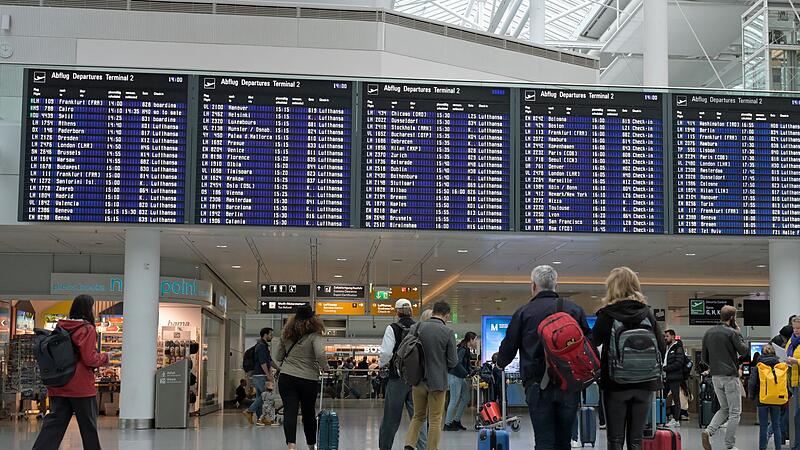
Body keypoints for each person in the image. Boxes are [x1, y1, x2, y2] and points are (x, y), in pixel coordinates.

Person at [497, 265, 591, 450]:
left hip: (537, 384)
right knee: (564, 440)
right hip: (569, 383)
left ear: (533, 286)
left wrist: (500, 363)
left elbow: (509, 346)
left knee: (543, 440)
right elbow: (588, 343)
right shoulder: (574, 310)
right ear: (556, 285)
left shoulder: (524, 312)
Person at [591, 267, 664, 450]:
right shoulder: (647, 314)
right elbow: (661, 347)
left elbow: (592, 345)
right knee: (636, 440)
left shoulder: (606, 315)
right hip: (645, 383)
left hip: (615, 384)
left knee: (615, 440)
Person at [32, 294, 109, 450]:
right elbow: (89, 359)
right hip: (81, 387)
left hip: (59, 383)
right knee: (88, 427)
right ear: (88, 309)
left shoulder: (61, 326)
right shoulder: (87, 329)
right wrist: (105, 357)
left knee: (53, 426)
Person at [403, 301, 458, 450]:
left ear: (433, 312)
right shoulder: (447, 332)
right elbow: (453, 361)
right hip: (437, 383)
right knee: (435, 419)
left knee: (418, 416)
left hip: (417, 380)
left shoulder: (416, 328)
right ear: (447, 315)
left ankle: (409, 445)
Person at [275, 304, 329, 450]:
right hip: (308, 379)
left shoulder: (286, 333)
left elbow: (278, 356)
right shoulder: (315, 335)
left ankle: (291, 446)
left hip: (287, 377)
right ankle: (311, 445)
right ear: (313, 319)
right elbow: (320, 354)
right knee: (308, 413)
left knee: (290, 411)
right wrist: (325, 367)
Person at [378, 299, 427, 450]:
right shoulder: (420, 328)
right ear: (411, 311)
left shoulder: (392, 328)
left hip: (397, 378)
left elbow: (386, 353)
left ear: (397, 312)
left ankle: (385, 447)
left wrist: (382, 365)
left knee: (390, 419)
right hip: (416, 379)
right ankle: (422, 447)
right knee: (418, 417)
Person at [700, 304, 748, 450]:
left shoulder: (708, 333)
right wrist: (739, 333)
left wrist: (715, 366)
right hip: (730, 376)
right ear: (732, 317)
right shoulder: (732, 333)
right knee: (735, 412)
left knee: (724, 408)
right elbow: (743, 351)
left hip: (716, 376)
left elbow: (704, 358)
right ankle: (729, 445)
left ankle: (709, 431)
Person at [748, 344, 784, 450]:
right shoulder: (779, 366)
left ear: (762, 353)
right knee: (776, 425)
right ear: (774, 353)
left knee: (763, 426)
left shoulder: (759, 366)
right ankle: (778, 448)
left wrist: (752, 396)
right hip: (776, 399)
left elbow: (752, 383)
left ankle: (762, 448)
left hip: (762, 398)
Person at [444, 331, 478, 431]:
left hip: (460, 376)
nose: (476, 342)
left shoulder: (466, 349)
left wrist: (472, 371)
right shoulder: (462, 349)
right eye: (475, 340)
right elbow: (457, 363)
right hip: (455, 376)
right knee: (454, 400)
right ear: (470, 340)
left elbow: (466, 364)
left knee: (466, 398)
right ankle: (447, 424)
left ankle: (456, 420)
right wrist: (466, 373)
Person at [244, 327, 275, 426]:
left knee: (259, 396)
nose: (272, 336)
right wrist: (268, 375)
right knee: (265, 396)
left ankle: (260, 418)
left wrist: (278, 368)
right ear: (265, 335)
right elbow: (263, 362)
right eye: (270, 334)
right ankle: (249, 411)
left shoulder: (262, 346)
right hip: (261, 375)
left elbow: (269, 360)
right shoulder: (261, 346)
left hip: (258, 375)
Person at [663, 329, 686, 427]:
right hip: (667, 377)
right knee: (663, 397)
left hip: (675, 377)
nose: (665, 338)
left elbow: (679, 363)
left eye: (667, 336)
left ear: (673, 336)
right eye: (665, 336)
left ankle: (676, 419)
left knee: (676, 398)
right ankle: (662, 417)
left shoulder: (678, 348)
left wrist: (665, 368)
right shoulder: (668, 348)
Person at [786, 316, 800, 450]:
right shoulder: (791, 341)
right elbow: (786, 355)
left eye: (799, 328)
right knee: (796, 415)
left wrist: (797, 361)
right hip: (793, 382)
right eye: (794, 328)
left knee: (798, 415)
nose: (796, 330)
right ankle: (796, 444)